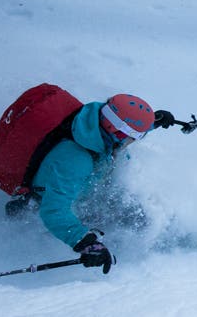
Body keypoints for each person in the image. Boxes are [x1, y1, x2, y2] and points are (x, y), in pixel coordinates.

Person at [20, 93, 177, 273]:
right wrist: (85, 242)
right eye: (135, 137)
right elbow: (54, 210)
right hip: (65, 205)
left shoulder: (96, 124)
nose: (134, 141)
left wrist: (154, 121)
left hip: (89, 187)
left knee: (140, 218)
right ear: (118, 133)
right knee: (137, 223)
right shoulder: (74, 161)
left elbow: (125, 126)